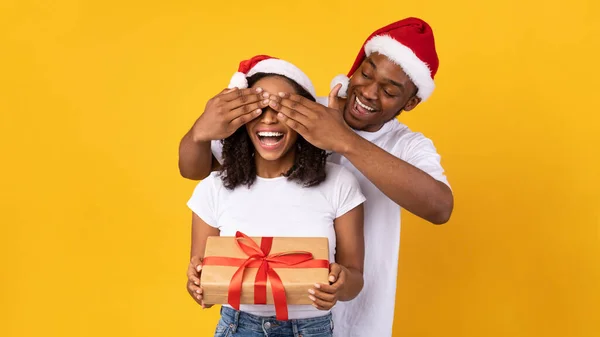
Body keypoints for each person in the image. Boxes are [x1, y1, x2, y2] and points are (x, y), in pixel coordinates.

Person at [181, 18, 454, 336]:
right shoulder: (301, 111)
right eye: (364, 74)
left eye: (390, 91)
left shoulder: (407, 146)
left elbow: (440, 207)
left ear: (410, 102)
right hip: (256, 315)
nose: (368, 92)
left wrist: (344, 141)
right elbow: (203, 167)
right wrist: (199, 130)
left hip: (356, 314)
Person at [185, 55, 366, 337]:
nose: (268, 117)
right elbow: (202, 277)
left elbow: (354, 278)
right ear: (241, 118)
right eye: (258, 108)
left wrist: (340, 285)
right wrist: (198, 285)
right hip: (237, 327)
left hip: (312, 330)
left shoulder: (340, 183)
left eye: (282, 108)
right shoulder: (213, 188)